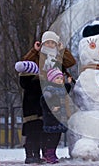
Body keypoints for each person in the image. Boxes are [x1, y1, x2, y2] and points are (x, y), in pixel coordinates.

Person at [20, 30, 76, 162]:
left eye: (53, 43)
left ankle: (48, 152)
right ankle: (32, 154)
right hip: (36, 94)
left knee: (50, 127)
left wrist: (63, 50)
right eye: (47, 42)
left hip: (53, 95)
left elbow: (71, 62)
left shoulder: (58, 57)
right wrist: (35, 50)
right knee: (35, 126)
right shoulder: (37, 55)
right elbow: (25, 63)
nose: (50, 45)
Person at [15, 61, 44, 164]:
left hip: (28, 114)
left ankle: (29, 156)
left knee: (30, 136)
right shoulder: (36, 84)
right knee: (37, 136)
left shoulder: (27, 84)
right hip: (37, 113)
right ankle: (36, 155)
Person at [40, 68, 71, 164]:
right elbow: (44, 100)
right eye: (57, 78)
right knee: (51, 137)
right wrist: (51, 107)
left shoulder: (60, 89)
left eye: (61, 78)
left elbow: (66, 89)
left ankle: (52, 153)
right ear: (51, 79)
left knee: (57, 136)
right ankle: (49, 154)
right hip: (51, 118)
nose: (60, 80)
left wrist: (69, 83)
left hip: (59, 118)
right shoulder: (49, 89)